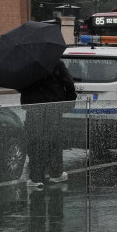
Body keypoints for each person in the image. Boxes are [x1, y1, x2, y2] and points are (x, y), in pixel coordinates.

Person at [19, 59, 77, 187]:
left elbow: (20, 86)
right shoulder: (55, 62)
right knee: (54, 140)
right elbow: (69, 83)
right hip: (54, 107)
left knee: (35, 141)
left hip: (33, 108)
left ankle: (36, 178)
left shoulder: (26, 65)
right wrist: (69, 102)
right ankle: (55, 174)